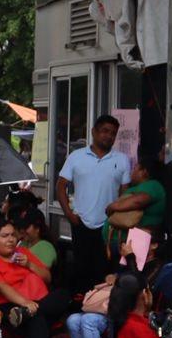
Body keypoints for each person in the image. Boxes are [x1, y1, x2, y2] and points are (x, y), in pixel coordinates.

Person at [55, 115, 131, 293]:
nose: (109, 136)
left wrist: (117, 218)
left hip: (108, 226)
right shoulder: (76, 156)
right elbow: (61, 186)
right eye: (105, 131)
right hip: (81, 222)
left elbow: (125, 193)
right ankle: (80, 309)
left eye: (113, 133)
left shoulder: (121, 159)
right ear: (94, 132)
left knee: (104, 272)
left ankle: (99, 310)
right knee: (81, 271)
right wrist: (69, 214)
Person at [105, 153, 167, 257]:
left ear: (144, 172)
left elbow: (137, 201)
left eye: (135, 168)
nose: (132, 171)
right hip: (121, 242)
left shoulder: (153, 185)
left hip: (133, 244)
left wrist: (112, 207)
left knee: (128, 273)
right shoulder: (140, 186)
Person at [14, 207, 57, 271]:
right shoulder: (22, 243)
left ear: (37, 228)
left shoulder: (47, 248)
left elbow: (43, 274)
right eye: (21, 227)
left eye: (26, 227)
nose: (22, 230)